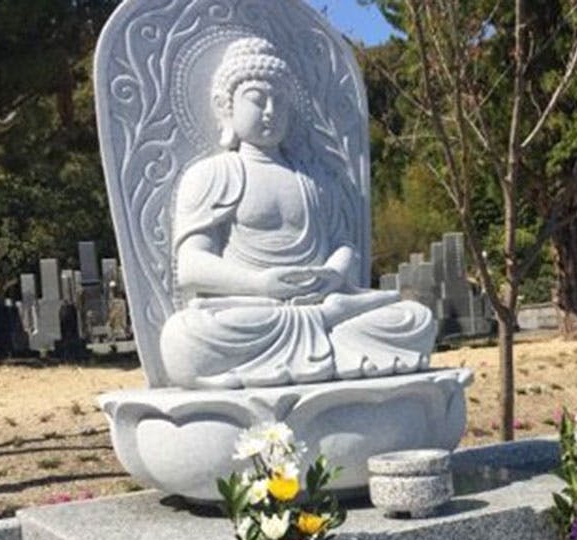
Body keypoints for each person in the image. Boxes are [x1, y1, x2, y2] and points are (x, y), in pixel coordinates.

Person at [159, 38, 434, 389]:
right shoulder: (213, 175)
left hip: (326, 305)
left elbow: (344, 246)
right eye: (257, 100)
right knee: (184, 337)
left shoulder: (313, 178)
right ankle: (331, 351)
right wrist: (259, 284)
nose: (270, 111)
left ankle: (314, 344)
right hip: (256, 312)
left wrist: (333, 274)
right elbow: (191, 266)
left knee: (414, 318)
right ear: (225, 107)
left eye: (280, 101)